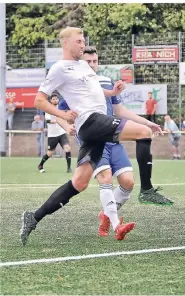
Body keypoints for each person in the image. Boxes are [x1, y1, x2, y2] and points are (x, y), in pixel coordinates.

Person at [20, 27, 172, 246]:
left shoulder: (82, 65)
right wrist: (62, 114)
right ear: (65, 44)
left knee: (79, 183)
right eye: (79, 41)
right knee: (143, 132)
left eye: (83, 41)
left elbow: (93, 93)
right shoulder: (59, 69)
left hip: (95, 126)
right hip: (90, 122)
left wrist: (112, 93)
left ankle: (33, 217)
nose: (82, 45)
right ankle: (147, 190)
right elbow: (39, 101)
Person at [37, 94, 73, 173]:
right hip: (53, 135)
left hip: (62, 133)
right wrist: (58, 120)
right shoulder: (49, 109)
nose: (55, 100)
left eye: (56, 99)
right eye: (53, 99)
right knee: (50, 153)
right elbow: (48, 121)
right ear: (50, 100)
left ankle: (69, 168)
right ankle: (40, 165)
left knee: (67, 148)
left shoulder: (61, 109)